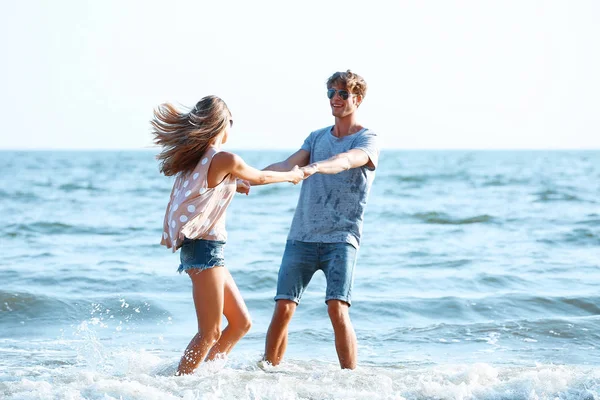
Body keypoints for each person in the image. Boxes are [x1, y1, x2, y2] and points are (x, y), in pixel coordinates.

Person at [152, 95, 304, 375]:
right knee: (208, 332)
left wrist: (233, 185)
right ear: (222, 123)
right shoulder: (223, 158)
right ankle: (177, 385)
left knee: (241, 323)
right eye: (231, 122)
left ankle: (203, 377)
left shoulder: (197, 161)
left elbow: (205, 191)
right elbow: (260, 177)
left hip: (207, 249)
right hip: (203, 250)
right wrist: (292, 176)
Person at [262, 70, 379, 369]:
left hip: (341, 239)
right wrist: (249, 178)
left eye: (342, 94)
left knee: (337, 308)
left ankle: (350, 381)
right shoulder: (316, 137)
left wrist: (315, 167)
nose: (335, 99)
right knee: (284, 307)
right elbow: (288, 164)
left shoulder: (367, 138)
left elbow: (347, 160)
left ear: (358, 99)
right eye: (331, 93)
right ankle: (267, 374)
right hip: (301, 236)